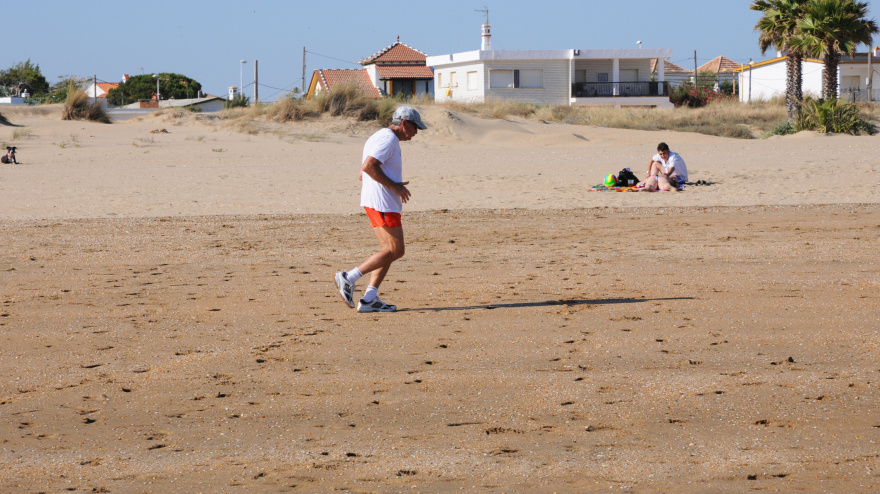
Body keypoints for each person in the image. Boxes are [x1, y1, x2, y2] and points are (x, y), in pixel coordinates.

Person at [334, 106, 428, 313]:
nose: (416, 132)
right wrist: (394, 186)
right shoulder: (388, 139)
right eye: (415, 127)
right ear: (405, 123)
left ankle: (370, 299)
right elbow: (368, 167)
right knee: (396, 250)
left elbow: (362, 173)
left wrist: (390, 182)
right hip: (382, 203)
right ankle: (348, 277)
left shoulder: (379, 136)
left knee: (389, 251)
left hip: (377, 201)